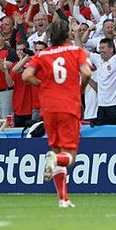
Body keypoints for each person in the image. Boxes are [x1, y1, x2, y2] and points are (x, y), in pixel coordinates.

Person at [22, 20, 92, 208]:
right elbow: (86, 73)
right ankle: (54, 160)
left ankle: (63, 199)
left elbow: (26, 76)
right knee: (69, 155)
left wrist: (43, 85)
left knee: (56, 149)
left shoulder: (42, 54)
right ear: (68, 34)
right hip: (68, 106)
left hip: (49, 108)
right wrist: (80, 89)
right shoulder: (76, 51)